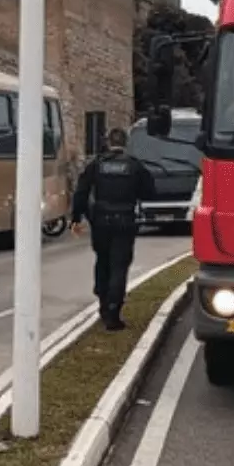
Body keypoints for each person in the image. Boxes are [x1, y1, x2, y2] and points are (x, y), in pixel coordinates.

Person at [69, 127, 156, 331]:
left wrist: (76, 217)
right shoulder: (134, 166)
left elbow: (81, 191)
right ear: (125, 143)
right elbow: (149, 192)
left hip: (100, 221)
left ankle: (102, 301)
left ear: (108, 142)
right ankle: (113, 311)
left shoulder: (97, 165)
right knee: (119, 266)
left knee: (103, 261)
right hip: (125, 221)